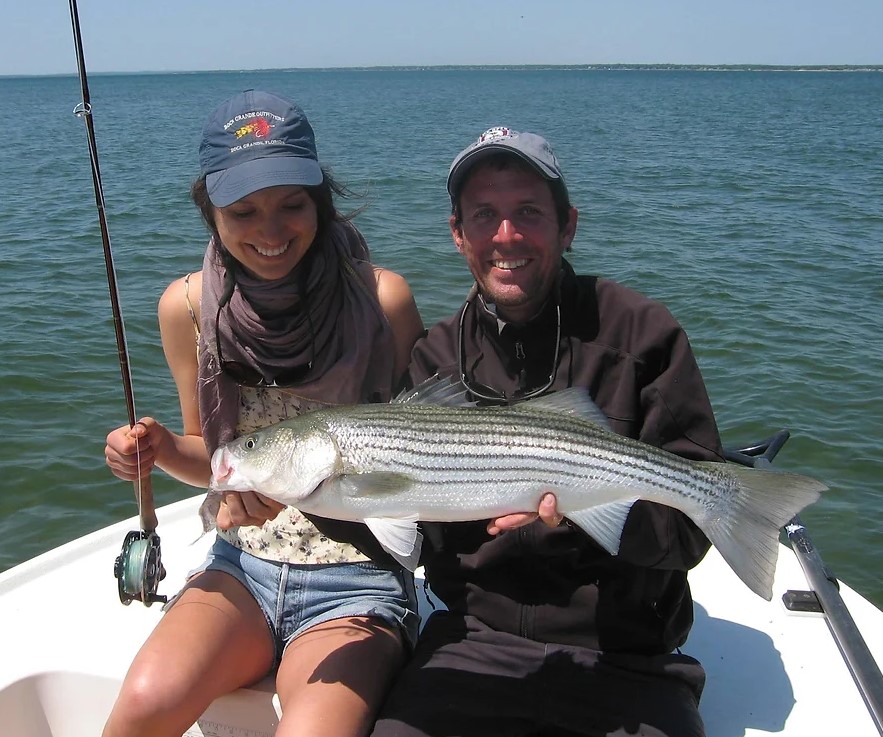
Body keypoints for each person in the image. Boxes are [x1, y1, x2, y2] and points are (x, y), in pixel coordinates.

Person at [371, 127, 724, 737]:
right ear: (459, 235)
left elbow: (690, 533)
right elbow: (415, 540)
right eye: (485, 215)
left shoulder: (643, 336)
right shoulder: (434, 360)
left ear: (569, 225)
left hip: (626, 653)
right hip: (473, 646)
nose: (506, 236)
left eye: (528, 212)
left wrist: (590, 504)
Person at [103, 90, 424, 737]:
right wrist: (161, 447)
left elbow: (419, 446)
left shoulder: (382, 297)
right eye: (243, 210)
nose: (270, 231)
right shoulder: (187, 308)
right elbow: (215, 462)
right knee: (142, 702)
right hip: (241, 567)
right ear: (210, 211)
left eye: (292, 205)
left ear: (320, 200)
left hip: (357, 575)